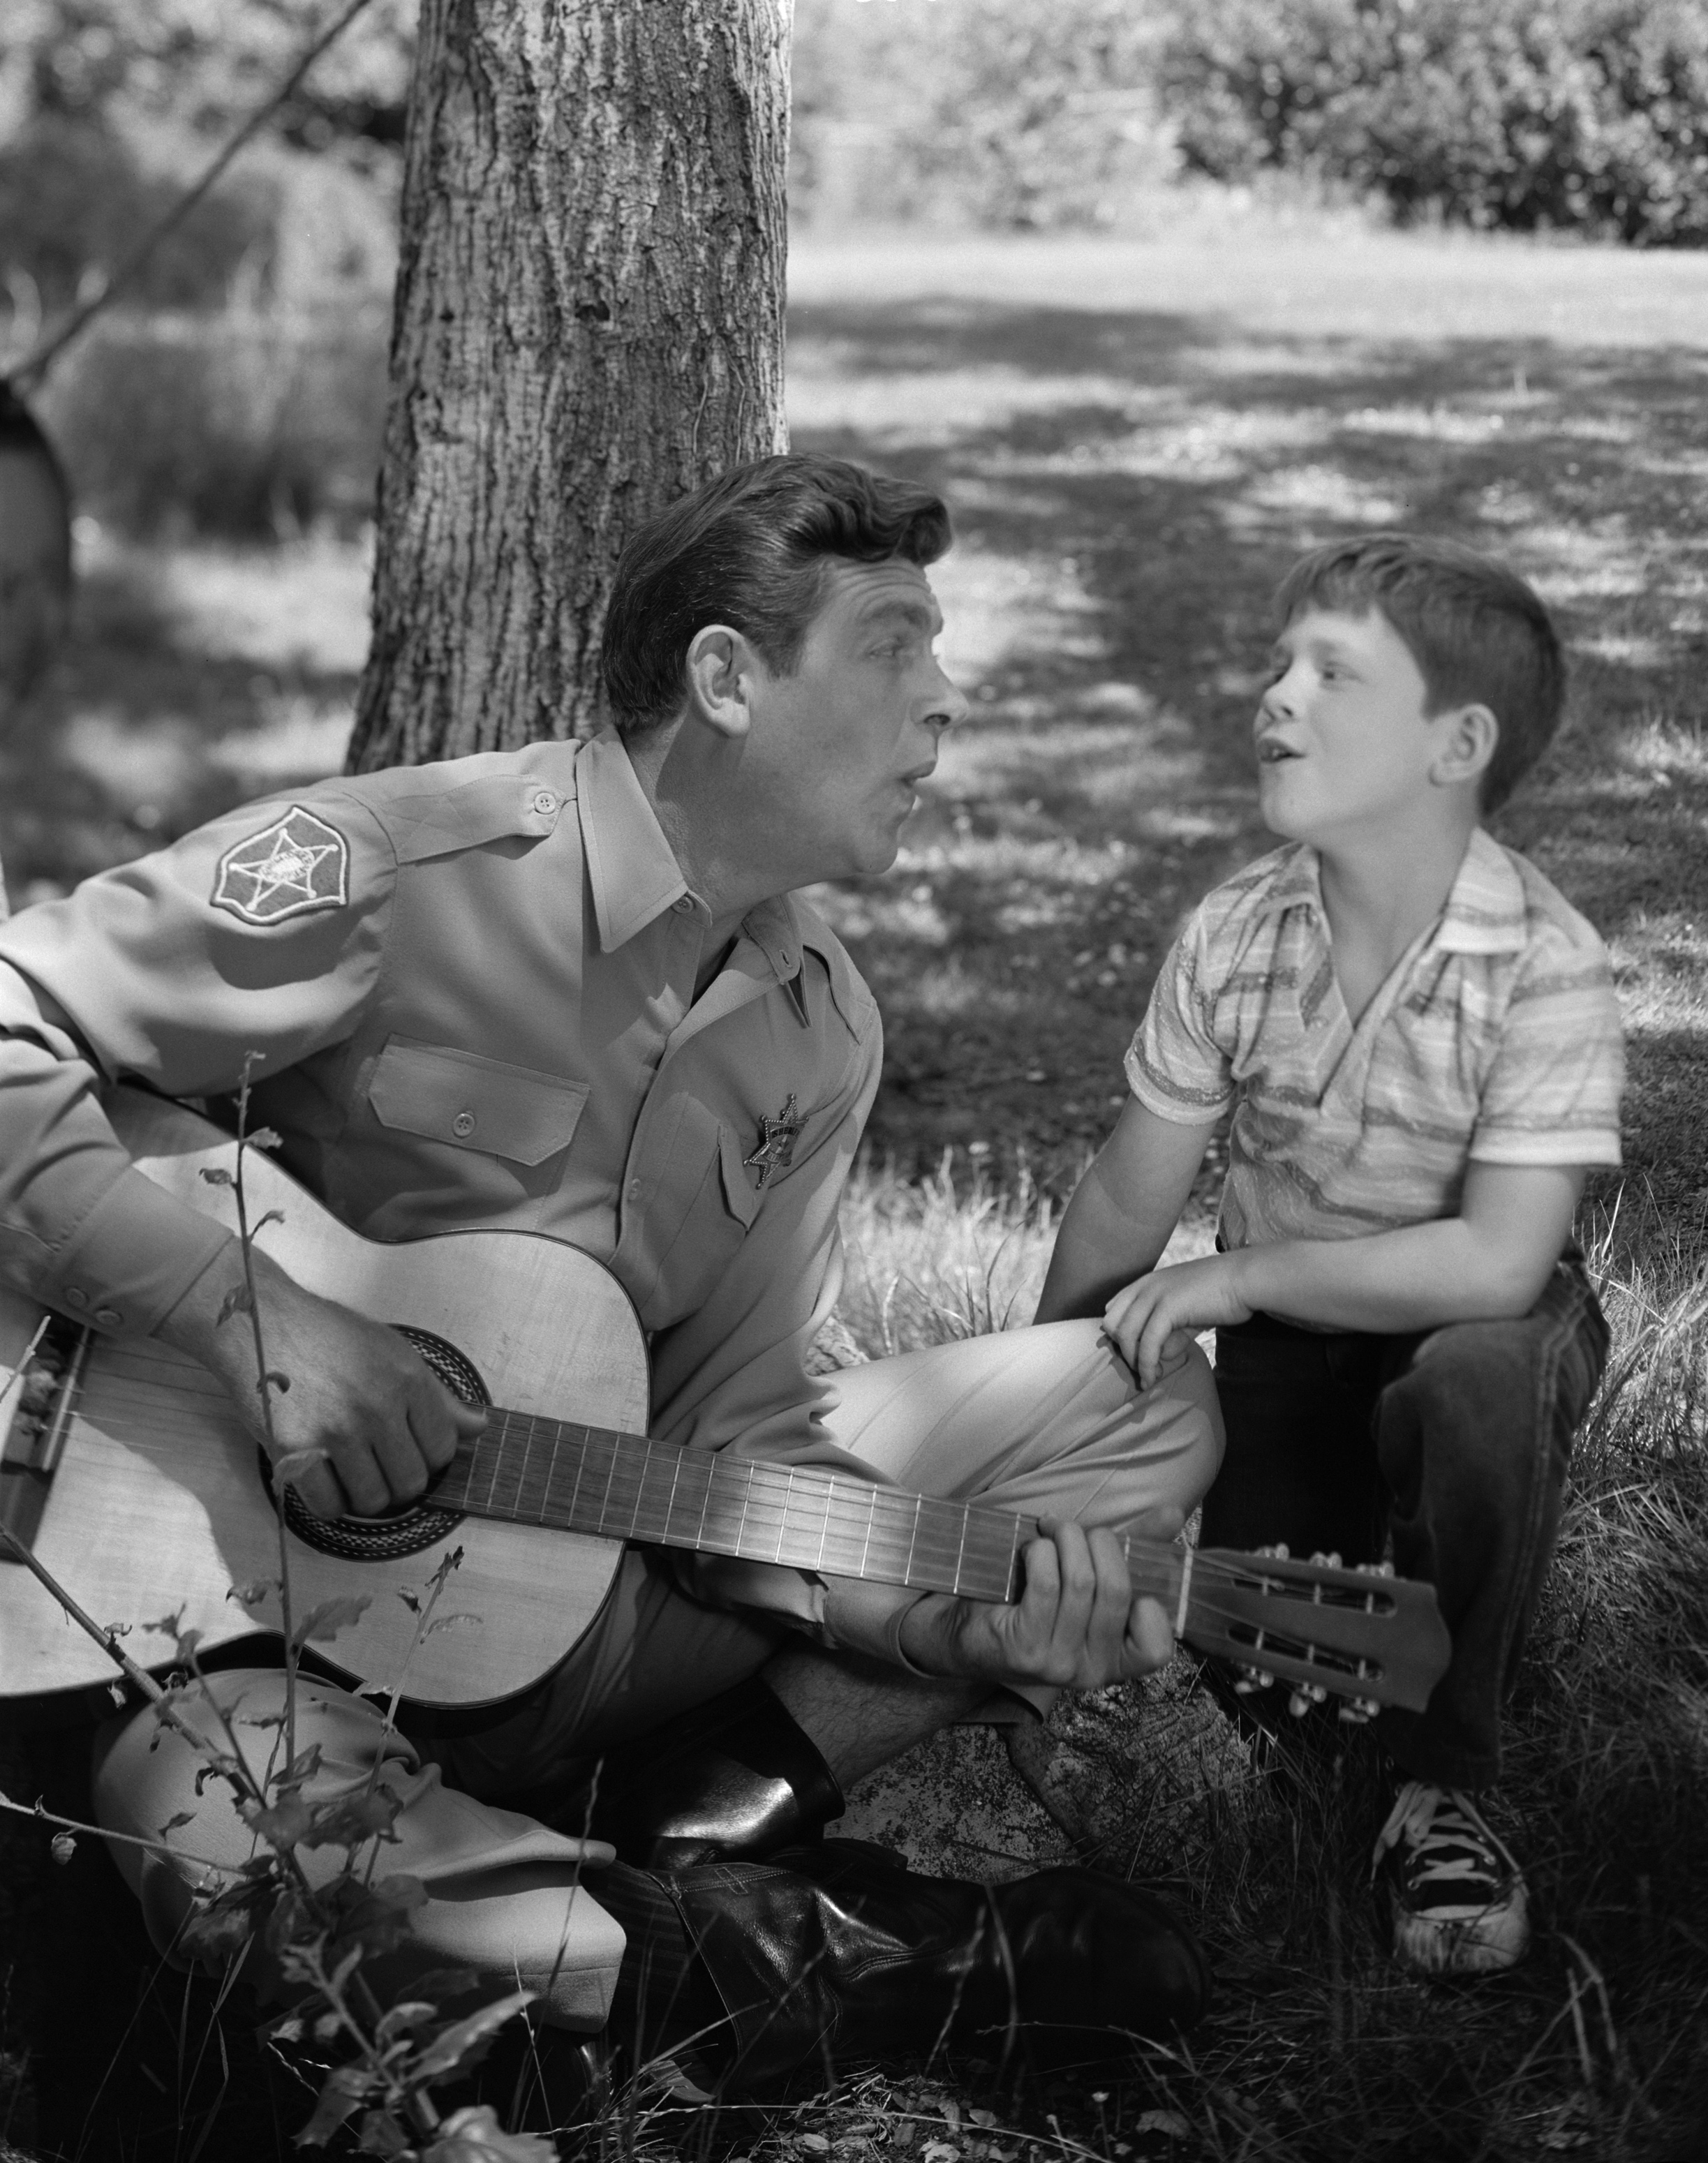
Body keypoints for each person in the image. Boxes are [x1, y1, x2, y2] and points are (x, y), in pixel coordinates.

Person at [0, 454, 1222, 2095]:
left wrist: (958, 1622)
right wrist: (256, 1315)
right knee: (245, 1841)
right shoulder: (397, 868)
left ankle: (675, 1842)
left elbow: (741, 1451)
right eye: (893, 646)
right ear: (725, 677)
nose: (946, 698)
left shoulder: (823, 1024)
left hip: (586, 1595)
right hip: (227, 1635)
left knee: (1131, 1407)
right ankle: (811, 1971)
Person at [1034, 534, 1623, 1978]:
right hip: (1297, 1339)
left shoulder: (1548, 967)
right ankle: (1367, 1708)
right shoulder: (1235, 935)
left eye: (1332, 673)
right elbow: (1131, 1188)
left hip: (1480, 1322)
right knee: (1253, 1650)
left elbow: (1497, 1262)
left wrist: (1231, 1280)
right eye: (1280, 662)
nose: (1273, 695)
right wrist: (1039, 1401)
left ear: (1454, 745)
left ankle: (1447, 1783)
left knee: (1474, 1393)